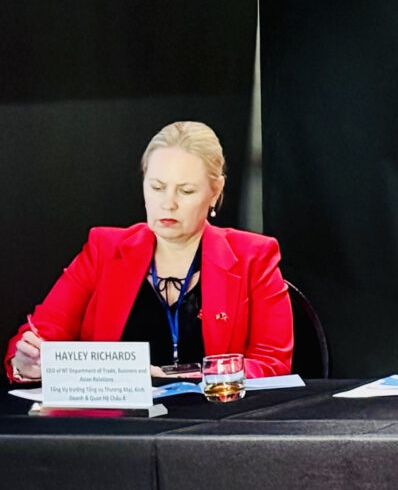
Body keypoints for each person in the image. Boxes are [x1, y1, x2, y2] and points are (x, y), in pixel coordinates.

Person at [6, 122, 293, 382]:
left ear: (215, 191)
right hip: (118, 427)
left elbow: (272, 365)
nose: (167, 203)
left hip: (214, 424)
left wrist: (175, 375)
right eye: (157, 187)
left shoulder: (254, 257)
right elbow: (38, 334)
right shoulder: (103, 249)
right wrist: (26, 362)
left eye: (186, 191)